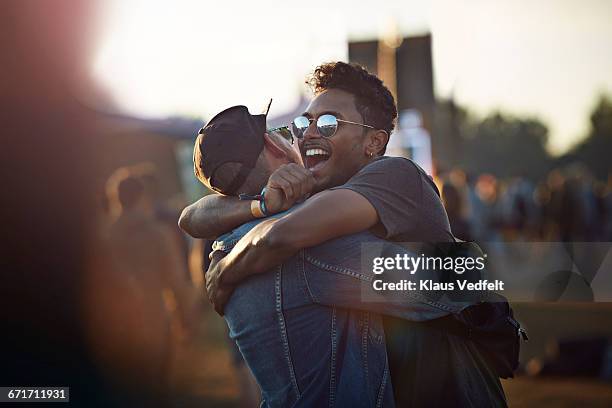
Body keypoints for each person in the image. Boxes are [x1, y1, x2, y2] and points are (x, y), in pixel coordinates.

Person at [181, 62, 508, 407]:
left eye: (328, 123)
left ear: (374, 142)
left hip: (450, 386)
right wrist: (261, 205)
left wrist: (226, 270)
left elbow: (283, 235)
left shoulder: (395, 175)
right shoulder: (309, 208)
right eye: (303, 123)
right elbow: (191, 216)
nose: (308, 133)